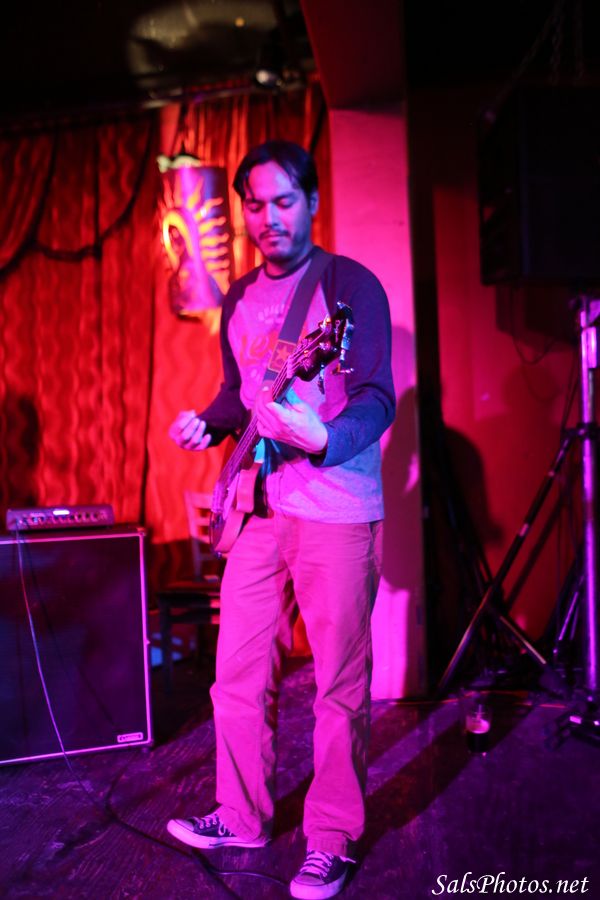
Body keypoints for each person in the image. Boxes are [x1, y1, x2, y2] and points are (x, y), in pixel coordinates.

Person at [167, 140, 395, 899]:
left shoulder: (348, 286)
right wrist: (208, 422)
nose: (269, 218)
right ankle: (242, 816)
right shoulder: (237, 299)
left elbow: (378, 398)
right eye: (256, 204)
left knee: (337, 686)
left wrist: (323, 436)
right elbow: (240, 393)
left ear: (312, 202)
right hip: (259, 510)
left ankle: (331, 839)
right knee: (235, 675)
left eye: (284, 201)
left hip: (335, 512)